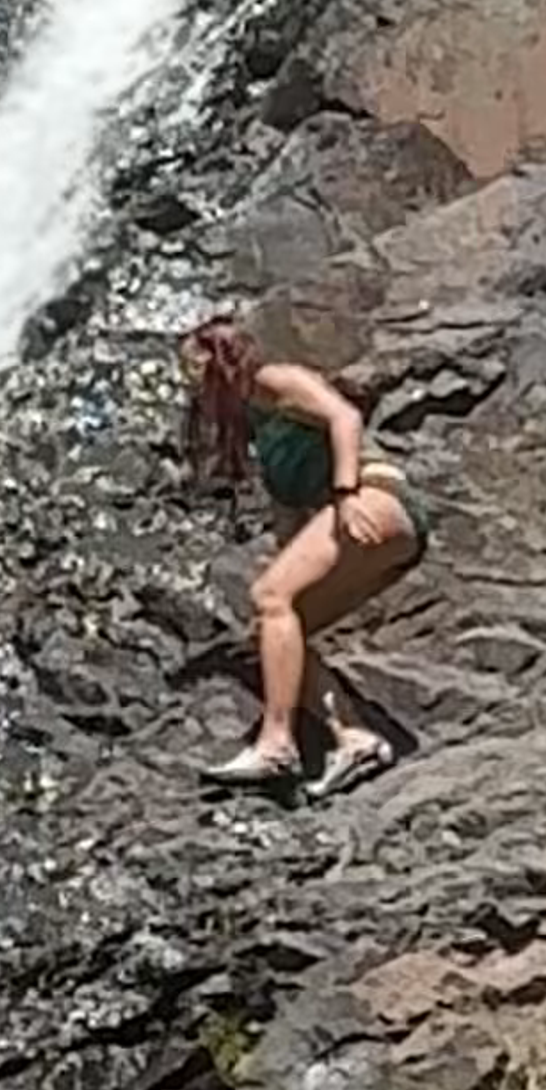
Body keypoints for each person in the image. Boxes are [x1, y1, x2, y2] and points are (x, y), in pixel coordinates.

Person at [185, 312, 422, 792]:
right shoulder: (259, 430)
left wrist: (344, 492)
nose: (189, 383)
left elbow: (344, 417)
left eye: (194, 368)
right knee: (277, 628)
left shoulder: (274, 381)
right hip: (376, 526)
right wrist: (287, 562)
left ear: (222, 361)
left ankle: (276, 745)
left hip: (375, 496)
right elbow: (288, 515)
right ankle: (354, 737)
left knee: (272, 598)